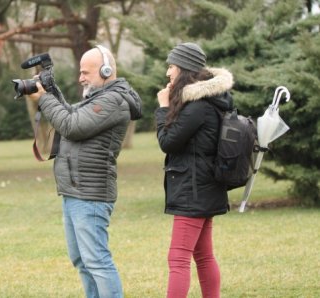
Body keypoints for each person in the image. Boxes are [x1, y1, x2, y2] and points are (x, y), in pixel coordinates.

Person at [28, 45, 142, 298]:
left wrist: (44, 98)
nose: (80, 78)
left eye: (85, 72)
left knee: (97, 261)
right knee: (81, 260)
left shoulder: (114, 100)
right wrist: (52, 91)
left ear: (106, 70)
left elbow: (72, 126)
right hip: (75, 191)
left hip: (90, 194)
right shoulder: (98, 97)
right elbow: (70, 114)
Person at [154, 42, 234, 298]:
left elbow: (167, 142)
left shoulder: (198, 106)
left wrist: (163, 107)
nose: (168, 73)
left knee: (178, 257)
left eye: (172, 66)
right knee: (203, 254)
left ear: (185, 70)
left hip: (194, 189)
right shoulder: (209, 101)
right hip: (204, 186)